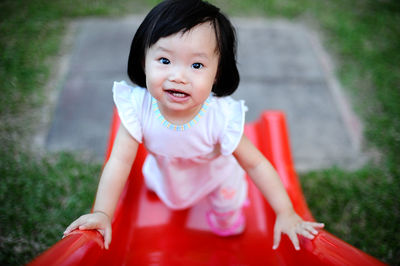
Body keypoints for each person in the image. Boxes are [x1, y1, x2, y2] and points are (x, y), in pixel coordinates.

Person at [63, 0, 324, 251]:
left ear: (217, 73)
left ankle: (225, 219)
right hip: (166, 171)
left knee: (227, 203)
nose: (178, 76)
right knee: (157, 180)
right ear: (144, 62)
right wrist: (102, 212)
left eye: (197, 65)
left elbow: (255, 163)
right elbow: (119, 161)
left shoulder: (219, 117)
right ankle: (163, 187)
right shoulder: (138, 107)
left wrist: (286, 212)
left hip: (215, 176)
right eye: (164, 61)